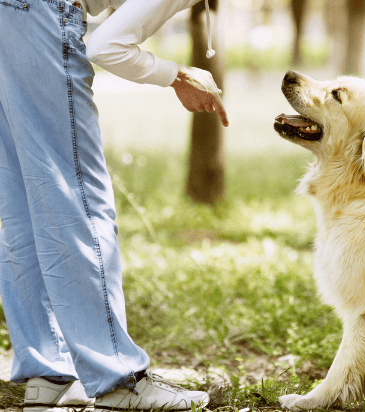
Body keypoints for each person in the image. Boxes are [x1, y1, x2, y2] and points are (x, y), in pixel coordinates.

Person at [0, 0, 227, 409]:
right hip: (41, 14)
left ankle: (45, 372)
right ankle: (117, 379)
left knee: (20, 201)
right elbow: (106, 46)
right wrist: (176, 75)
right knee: (80, 200)